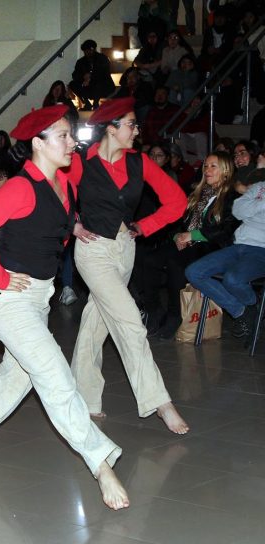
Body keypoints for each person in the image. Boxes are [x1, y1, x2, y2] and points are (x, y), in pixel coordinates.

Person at [0, 105, 129, 511]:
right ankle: (101, 463)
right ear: (36, 144)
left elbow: (54, 224)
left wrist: (72, 228)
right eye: (61, 135)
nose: (71, 141)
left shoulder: (64, 184)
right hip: (7, 300)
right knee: (55, 375)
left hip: (36, 297)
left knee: (15, 376)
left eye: (70, 134)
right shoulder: (20, 187)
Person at [68, 97, 189, 434]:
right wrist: (72, 224)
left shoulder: (139, 162)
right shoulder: (80, 162)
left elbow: (177, 201)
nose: (137, 131)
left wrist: (144, 226)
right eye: (131, 124)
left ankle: (84, 397)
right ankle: (160, 402)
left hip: (124, 250)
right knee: (130, 322)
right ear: (111, 127)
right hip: (92, 251)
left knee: (97, 321)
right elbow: (54, 194)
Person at [143, 152, 239, 338]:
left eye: (213, 166)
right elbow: (177, 220)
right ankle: (153, 311)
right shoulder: (197, 192)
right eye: (206, 166)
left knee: (175, 263)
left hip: (211, 245)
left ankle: (175, 314)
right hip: (188, 241)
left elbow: (226, 230)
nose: (207, 170)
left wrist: (192, 235)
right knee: (149, 260)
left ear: (226, 171)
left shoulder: (232, 197)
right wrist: (178, 235)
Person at [185, 177, 265, 340]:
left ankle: (252, 303)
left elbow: (246, 212)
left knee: (232, 280)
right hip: (237, 246)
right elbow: (238, 209)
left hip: (261, 251)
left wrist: (252, 211)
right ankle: (244, 309)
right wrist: (261, 206)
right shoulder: (259, 186)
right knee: (194, 272)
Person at [69, 40, 116, 110]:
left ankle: (96, 103)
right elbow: (75, 75)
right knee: (72, 84)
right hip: (88, 88)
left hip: (103, 86)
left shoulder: (102, 58)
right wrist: (83, 78)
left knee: (99, 83)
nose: (88, 52)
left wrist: (90, 77)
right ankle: (87, 103)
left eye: (90, 50)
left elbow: (105, 73)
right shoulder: (81, 62)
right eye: (86, 51)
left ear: (94, 49)